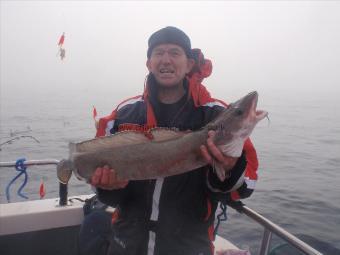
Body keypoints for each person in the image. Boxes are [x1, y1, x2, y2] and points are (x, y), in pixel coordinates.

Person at [79, 26, 259, 255]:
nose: (166, 60)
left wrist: (230, 170)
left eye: (174, 52)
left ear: (189, 64)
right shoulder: (123, 114)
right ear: (148, 63)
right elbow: (108, 193)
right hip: (127, 243)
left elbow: (245, 188)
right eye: (158, 53)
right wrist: (108, 187)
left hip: (188, 247)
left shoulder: (217, 115)